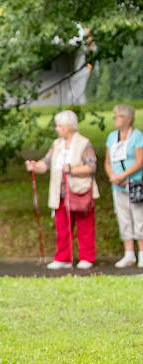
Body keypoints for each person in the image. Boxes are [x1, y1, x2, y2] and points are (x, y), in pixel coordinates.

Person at [24, 110, 99, 270]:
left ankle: (87, 257)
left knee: (85, 226)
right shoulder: (57, 144)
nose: (56, 128)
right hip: (60, 193)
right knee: (62, 226)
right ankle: (63, 258)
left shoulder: (83, 143)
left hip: (80, 191)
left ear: (69, 127)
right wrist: (35, 166)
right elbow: (46, 163)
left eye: (59, 126)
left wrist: (71, 169)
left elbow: (91, 167)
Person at [103, 104, 143, 268]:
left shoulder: (137, 136)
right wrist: (113, 176)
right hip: (117, 185)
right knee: (123, 217)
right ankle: (129, 253)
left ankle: (141, 252)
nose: (115, 119)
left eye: (117, 116)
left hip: (135, 183)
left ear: (127, 118)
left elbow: (140, 160)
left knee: (139, 217)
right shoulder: (112, 137)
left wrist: (124, 176)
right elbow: (107, 161)